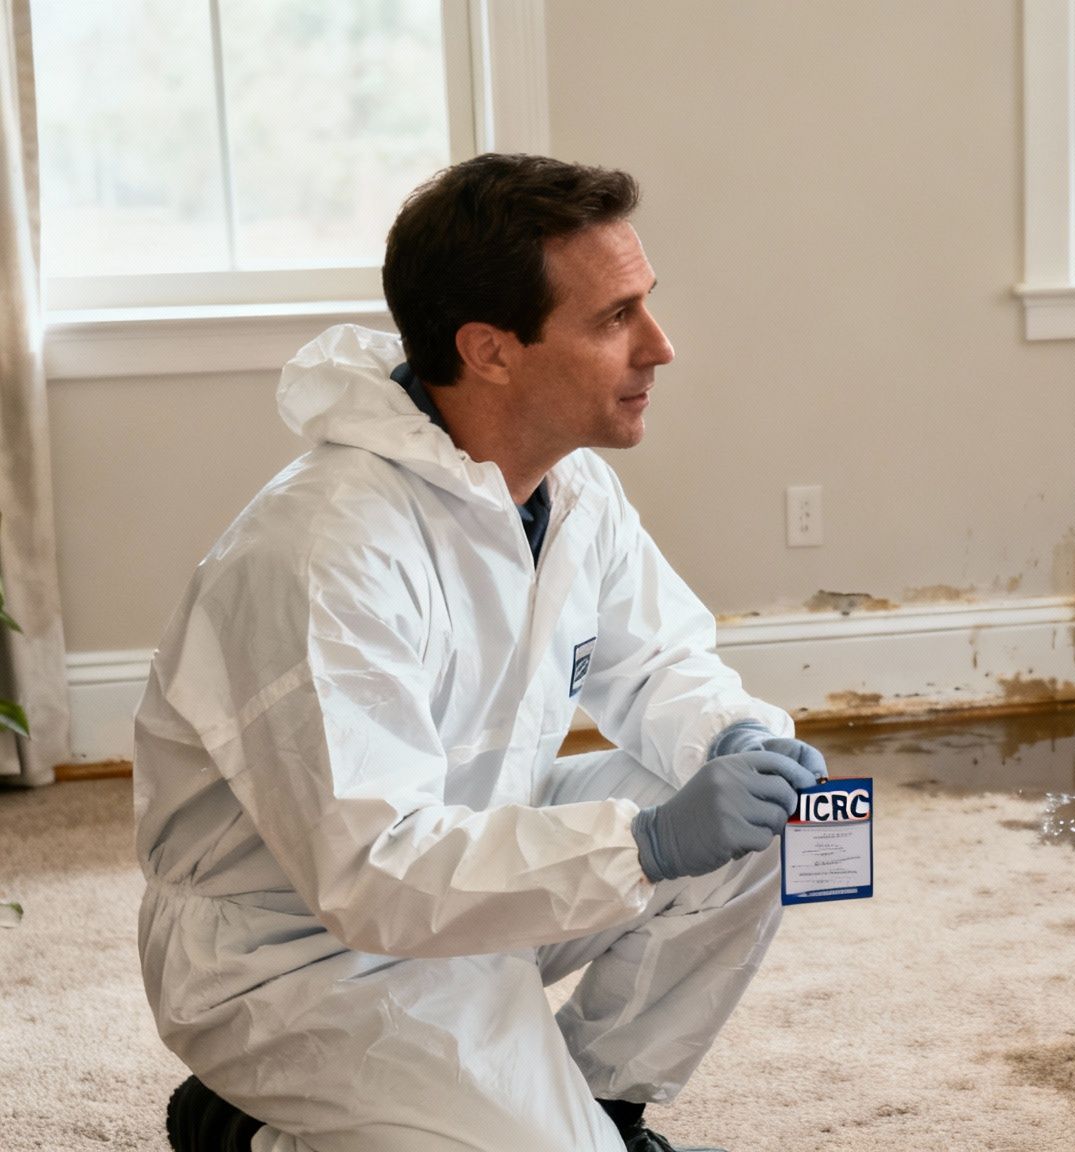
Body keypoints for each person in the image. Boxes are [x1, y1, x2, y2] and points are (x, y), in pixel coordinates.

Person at [135, 153, 826, 1152]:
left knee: (765, 820)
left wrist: (735, 738)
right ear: (490, 351)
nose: (660, 347)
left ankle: (603, 1111)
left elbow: (658, 662)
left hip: (471, 859)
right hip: (302, 952)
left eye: (647, 306)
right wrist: (642, 846)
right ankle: (244, 1124)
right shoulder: (323, 551)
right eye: (613, 319)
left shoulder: (569, 488)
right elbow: (373, 875)